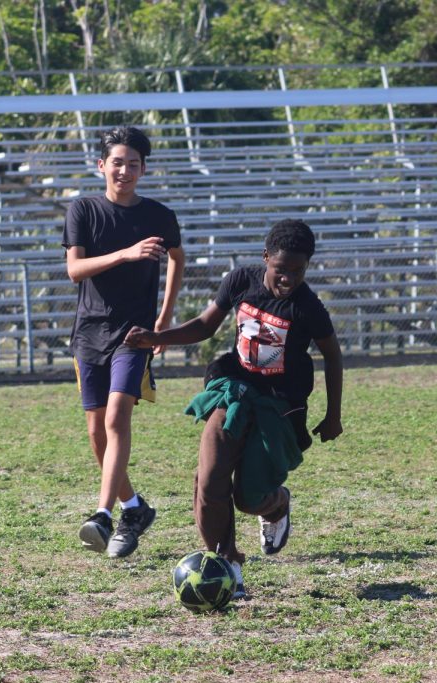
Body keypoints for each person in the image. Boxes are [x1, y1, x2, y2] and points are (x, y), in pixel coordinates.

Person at [125, 219, 343, 597]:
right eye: (281, 269)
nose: (288, 278)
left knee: (249, 497)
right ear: (265, 259)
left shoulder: (308, 307)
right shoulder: (242, 280)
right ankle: (226, 565)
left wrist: (333, 414)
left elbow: (333, 356)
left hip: (278, 406)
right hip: (234, 392)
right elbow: (205, 325)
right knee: (208, 480)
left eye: (298, 271)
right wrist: (157, 338)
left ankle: (276, 506)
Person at [63, 125, 185, 558]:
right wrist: (126, 253)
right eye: (117, 162)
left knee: (116, 419)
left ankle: (103, 514)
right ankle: (134, 507)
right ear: (102, 166)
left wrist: (164, 317)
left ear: (143, 169)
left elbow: (177, 257)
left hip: (135, 334)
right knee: (97, 431)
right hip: (88, 334)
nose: (125, 170)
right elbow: (75, 270)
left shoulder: (158, 215)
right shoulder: (83, 211)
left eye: (133, 164)